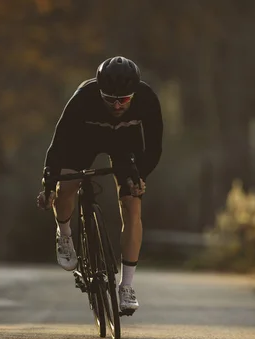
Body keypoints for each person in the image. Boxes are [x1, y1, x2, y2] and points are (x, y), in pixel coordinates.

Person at [36, 56, 163, 313]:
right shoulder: (84, 97)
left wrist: (141, 178)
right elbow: (58, 143)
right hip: (84, 140)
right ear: (99, 91)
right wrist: (49, 183)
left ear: (134, 94)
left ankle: (126, 287)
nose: (117, 106)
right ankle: (64, 234)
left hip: (125, 145)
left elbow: (154, 147)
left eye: (124, 100)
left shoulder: (147, 98)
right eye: (110, 100)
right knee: (66, 188)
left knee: (132, 207)